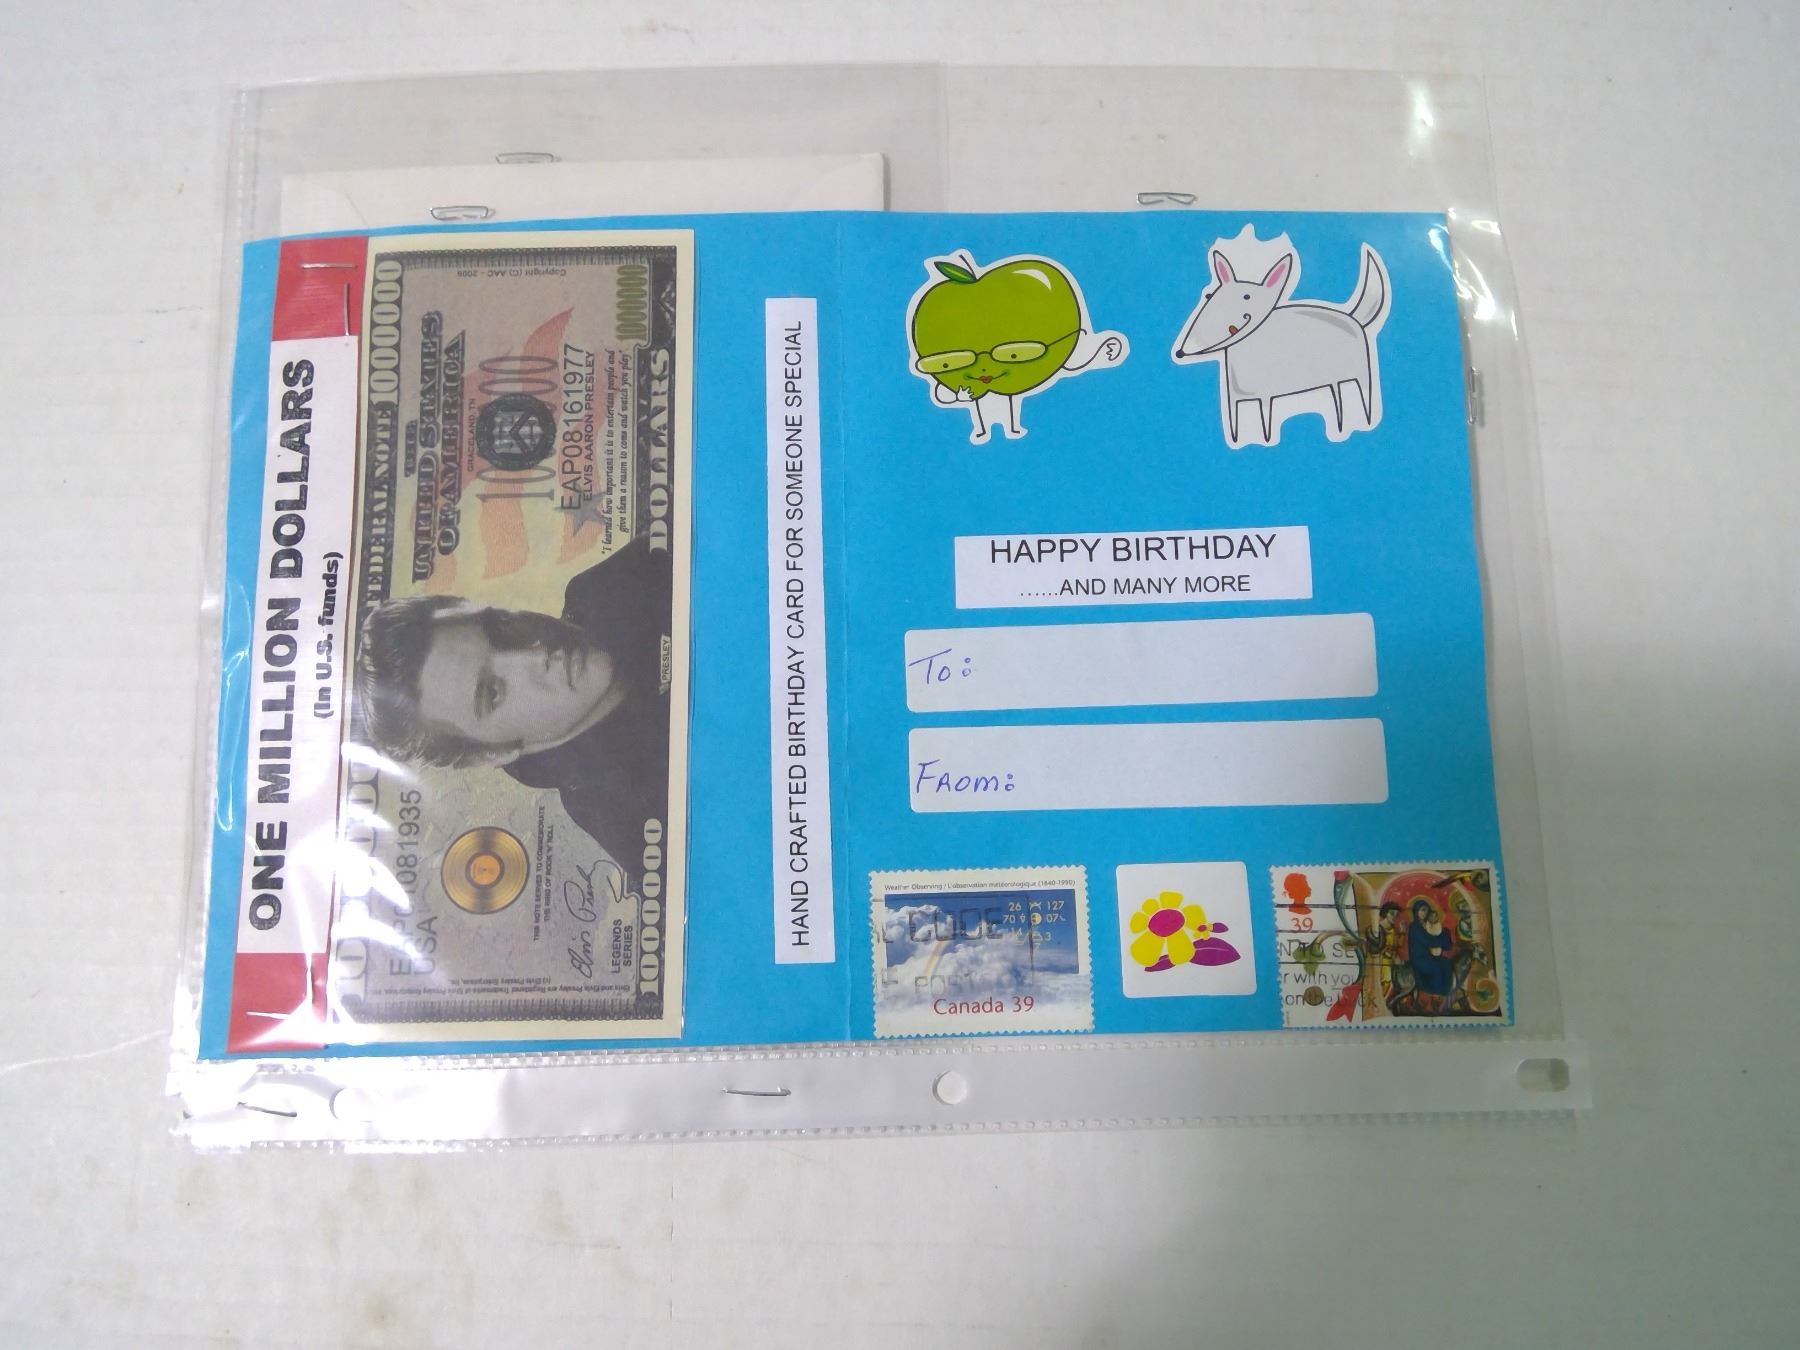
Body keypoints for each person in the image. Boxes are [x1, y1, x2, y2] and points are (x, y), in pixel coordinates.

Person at [354, 535, 672, 869]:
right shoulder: (628, 821)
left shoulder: (604, 588)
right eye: (492, 692)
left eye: (501, 628)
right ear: (494, 753)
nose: (536, 653)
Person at [1404, 897, 1455, 1012]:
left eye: (1426, 910)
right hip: (1419, 958)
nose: (1424, 913)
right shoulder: (1415, 927)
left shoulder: (1428, 924)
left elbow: (1436, 936)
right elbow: (1429, 941)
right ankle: (1433, 995)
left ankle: (1443, 994)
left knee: (1446, 963)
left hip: (1429, 956)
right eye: (1421, 910)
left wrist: (1444, 935)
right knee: (1436, 967)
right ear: (1416, 911)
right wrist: (1443, 938)